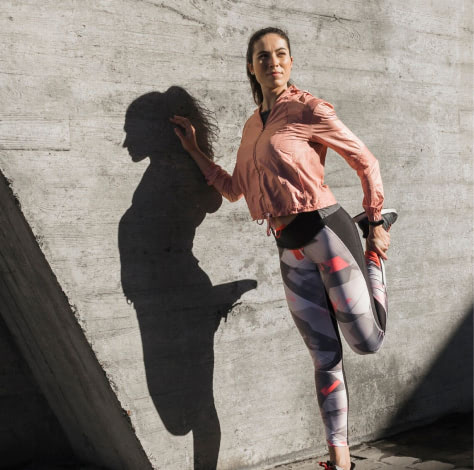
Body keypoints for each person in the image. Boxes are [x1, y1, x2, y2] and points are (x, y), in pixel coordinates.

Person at [170, 26, 397, 470]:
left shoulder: (308, 109)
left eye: (280, 54)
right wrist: (194, 150)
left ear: (290, 62)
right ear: (251, 68)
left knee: (367, 343)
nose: (272, 62)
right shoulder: (252, 126)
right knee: (324, 358)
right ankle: (340, 461)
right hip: (289, 249)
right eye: (263, 56)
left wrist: (373, 223)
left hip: (327, 232)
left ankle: (372, 259)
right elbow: (233, 190)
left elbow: (366, 161)